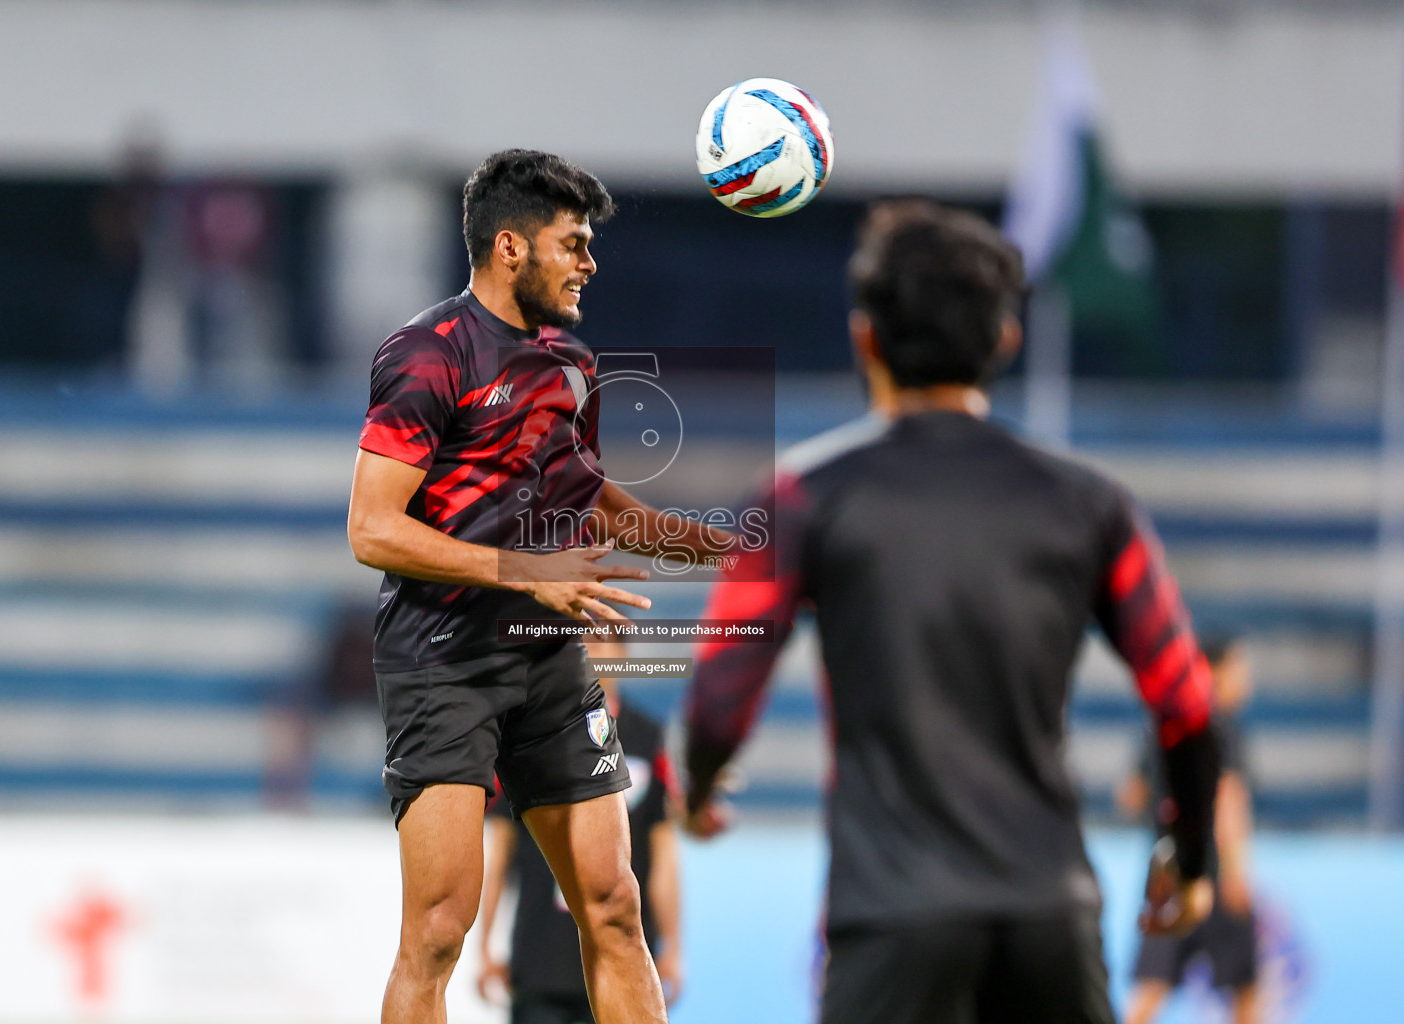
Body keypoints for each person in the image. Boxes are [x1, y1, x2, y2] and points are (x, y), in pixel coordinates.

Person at [681, 198, 1221, 1024]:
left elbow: (721, 690)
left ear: (866, 337)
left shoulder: (803, 496)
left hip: (894, 914)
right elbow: (1185, 701)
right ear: (1005, 338)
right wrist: (1188, 859)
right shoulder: (1091, 504)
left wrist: (703, 784)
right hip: (1050, 914)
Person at [347, 149, 725, 1024]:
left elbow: (579, 493)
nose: (590, 263)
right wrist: (526, 570)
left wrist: (698, 545)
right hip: (444, 663)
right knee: (438, 933)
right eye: (574, 243)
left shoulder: (572, 362)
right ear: (511, 248)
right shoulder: (424, 356)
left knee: (615, 909)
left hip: (550, 661)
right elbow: (373, 528)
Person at [477, 636, 684, 1024]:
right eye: (586, 641)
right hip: (540, 958)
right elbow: (500, 849)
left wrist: (673, 946)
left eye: (606, 642)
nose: (596, 653)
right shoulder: (528, 735)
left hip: (620, 960)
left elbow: (664, 853)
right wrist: (484, 944)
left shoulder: (647, 738)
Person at [1120, 634, 1261, 1024]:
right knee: (1246, 990)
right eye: (1239, 670)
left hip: (1168, 871)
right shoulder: (1222, 727)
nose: (1245, 680)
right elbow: (1229, 800)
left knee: (1152, 985)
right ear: (1215, 672)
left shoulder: (1162, 722)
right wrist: (1235, 871)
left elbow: (1130, 795)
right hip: (1213, 873)